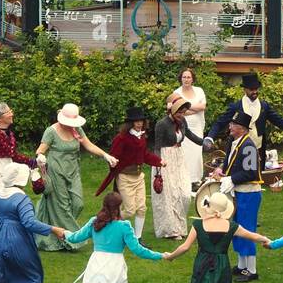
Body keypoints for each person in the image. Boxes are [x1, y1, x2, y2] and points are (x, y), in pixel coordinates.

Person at [34, 102, 118, 253]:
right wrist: (40, 157)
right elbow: (40, 150)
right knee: (62, 207)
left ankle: (58, 232)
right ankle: (71, 239)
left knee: (78, 204)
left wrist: (106, 155)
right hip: (56, 171)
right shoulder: (51, 131)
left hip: (73, 171)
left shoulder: (77, 129)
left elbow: (89, 145)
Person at [205, 71, 283, 179]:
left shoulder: (264, 106)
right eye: (251, 89)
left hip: (258, 146)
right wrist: (210, 137)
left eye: (256, 89)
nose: (254, 92)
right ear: (244, 90)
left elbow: (279, 121)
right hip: (238, 147)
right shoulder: (236, 106)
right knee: (235, 176)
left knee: (255, 177)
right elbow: (220, 123)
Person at [211, 111, 265, 281]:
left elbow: (249, 172)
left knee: (247, 229)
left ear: (241, 128)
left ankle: (252, 269)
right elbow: (230, 162)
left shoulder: (248, 145)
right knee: (236, 229)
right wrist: (222, 169)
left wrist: (231, 178)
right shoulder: (235, 142)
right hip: (239, 192)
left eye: (233, 125)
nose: (230, 127)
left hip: (248, 194)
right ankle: (242, 265)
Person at [98, 107, 163, 240]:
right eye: (136, 121)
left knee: (142, 208)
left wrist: (159, 161)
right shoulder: (122, 138)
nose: (139, 124)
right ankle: (108, 222)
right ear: (131, 123)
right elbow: (113, 156)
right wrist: (114, 163)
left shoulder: (141, 136)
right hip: (125, 177)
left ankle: (137, 238)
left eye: (141, 121)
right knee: (129, 210)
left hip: (139, 177)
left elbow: (145, 155)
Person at [152, 95, 204, 240]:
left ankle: (180, 227)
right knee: (169, 195)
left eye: (183, 112)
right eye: (179, 112)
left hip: (179, 157)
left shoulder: (182, 122)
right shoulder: (161, 124)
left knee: (184, 194)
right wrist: (158, 165)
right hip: (165, 158)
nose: (181, 115)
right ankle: (171, 230)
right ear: (172, 111)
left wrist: (203, 142)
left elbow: (189, 135)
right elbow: (156, 146)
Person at [170, 66, 207, 189]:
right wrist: (191, 109)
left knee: (196, 152)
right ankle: (183, 179)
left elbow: (202, 107)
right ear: (181, 79)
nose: (186, 79)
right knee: (184, 153)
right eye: (184, 77)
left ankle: (196, 179)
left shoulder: (199, 91)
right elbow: (175, 110)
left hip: (197, 126)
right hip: (182, 126)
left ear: (192, 79)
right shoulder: (176, 93)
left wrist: (185, 107)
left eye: (188, 77)